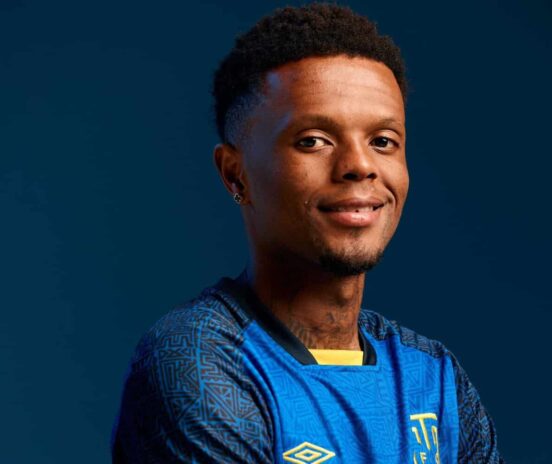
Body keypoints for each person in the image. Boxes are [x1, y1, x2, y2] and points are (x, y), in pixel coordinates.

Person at [111, 3, 504, 463]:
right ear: (236, 174)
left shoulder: (432, 377)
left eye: (383, 141)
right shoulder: (198, 360)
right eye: (313, 140)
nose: (359, 165)